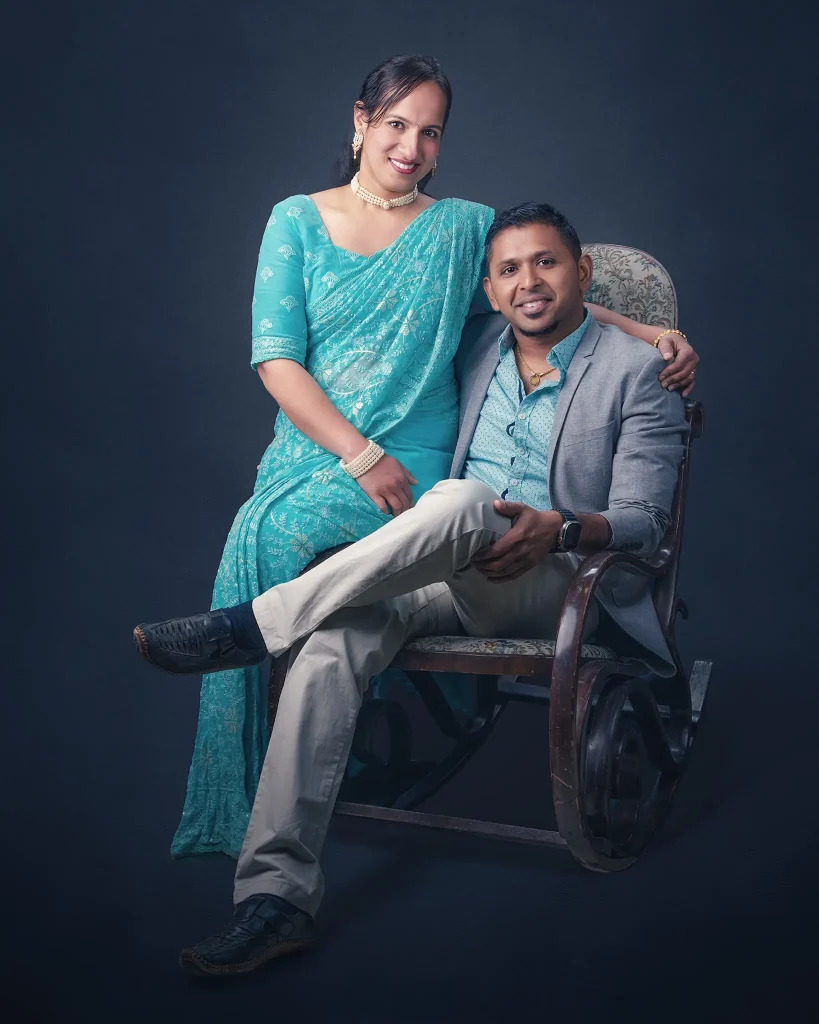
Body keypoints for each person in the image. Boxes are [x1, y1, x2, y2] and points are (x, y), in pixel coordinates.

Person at [136, 201, 692, 976]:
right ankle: (276, 899)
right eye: (507, 271)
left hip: (558, 579)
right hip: (456, 565)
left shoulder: (642, 376)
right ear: (490, 293)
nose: (527, 282)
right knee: (334, 639)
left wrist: (561, 526)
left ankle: (253, 625)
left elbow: (643, 521)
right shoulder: (473, 348)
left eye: (547, 263)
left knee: (460, 500)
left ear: (581, 273)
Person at [171, 53, 699, 863]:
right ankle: (268, 879)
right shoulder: (324, 233)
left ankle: (249, 628)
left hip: (490, 523)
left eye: (430, 132)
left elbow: (556, 306)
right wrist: (356, 454)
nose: (411, 146)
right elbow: (278, 358)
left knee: (449, 499)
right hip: (384, 499)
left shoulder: (477, 249)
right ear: (359, 123)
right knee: (304, 584)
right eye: (394, 125)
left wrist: (652, 335)